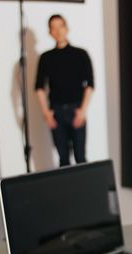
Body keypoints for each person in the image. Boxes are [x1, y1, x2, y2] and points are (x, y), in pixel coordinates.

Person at [35, 14, 94, 167]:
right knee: (63, 160)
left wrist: (83, 110)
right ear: (49, 32)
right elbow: (39, 87)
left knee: (80, 157)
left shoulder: (80, 54)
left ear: (66, 28)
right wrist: (46, 113)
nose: (58, 31)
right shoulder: (46, 58)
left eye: (60, 26)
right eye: (53, 28)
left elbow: (90, 84)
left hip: (76, 110)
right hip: (57, 113)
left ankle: (84, 190)